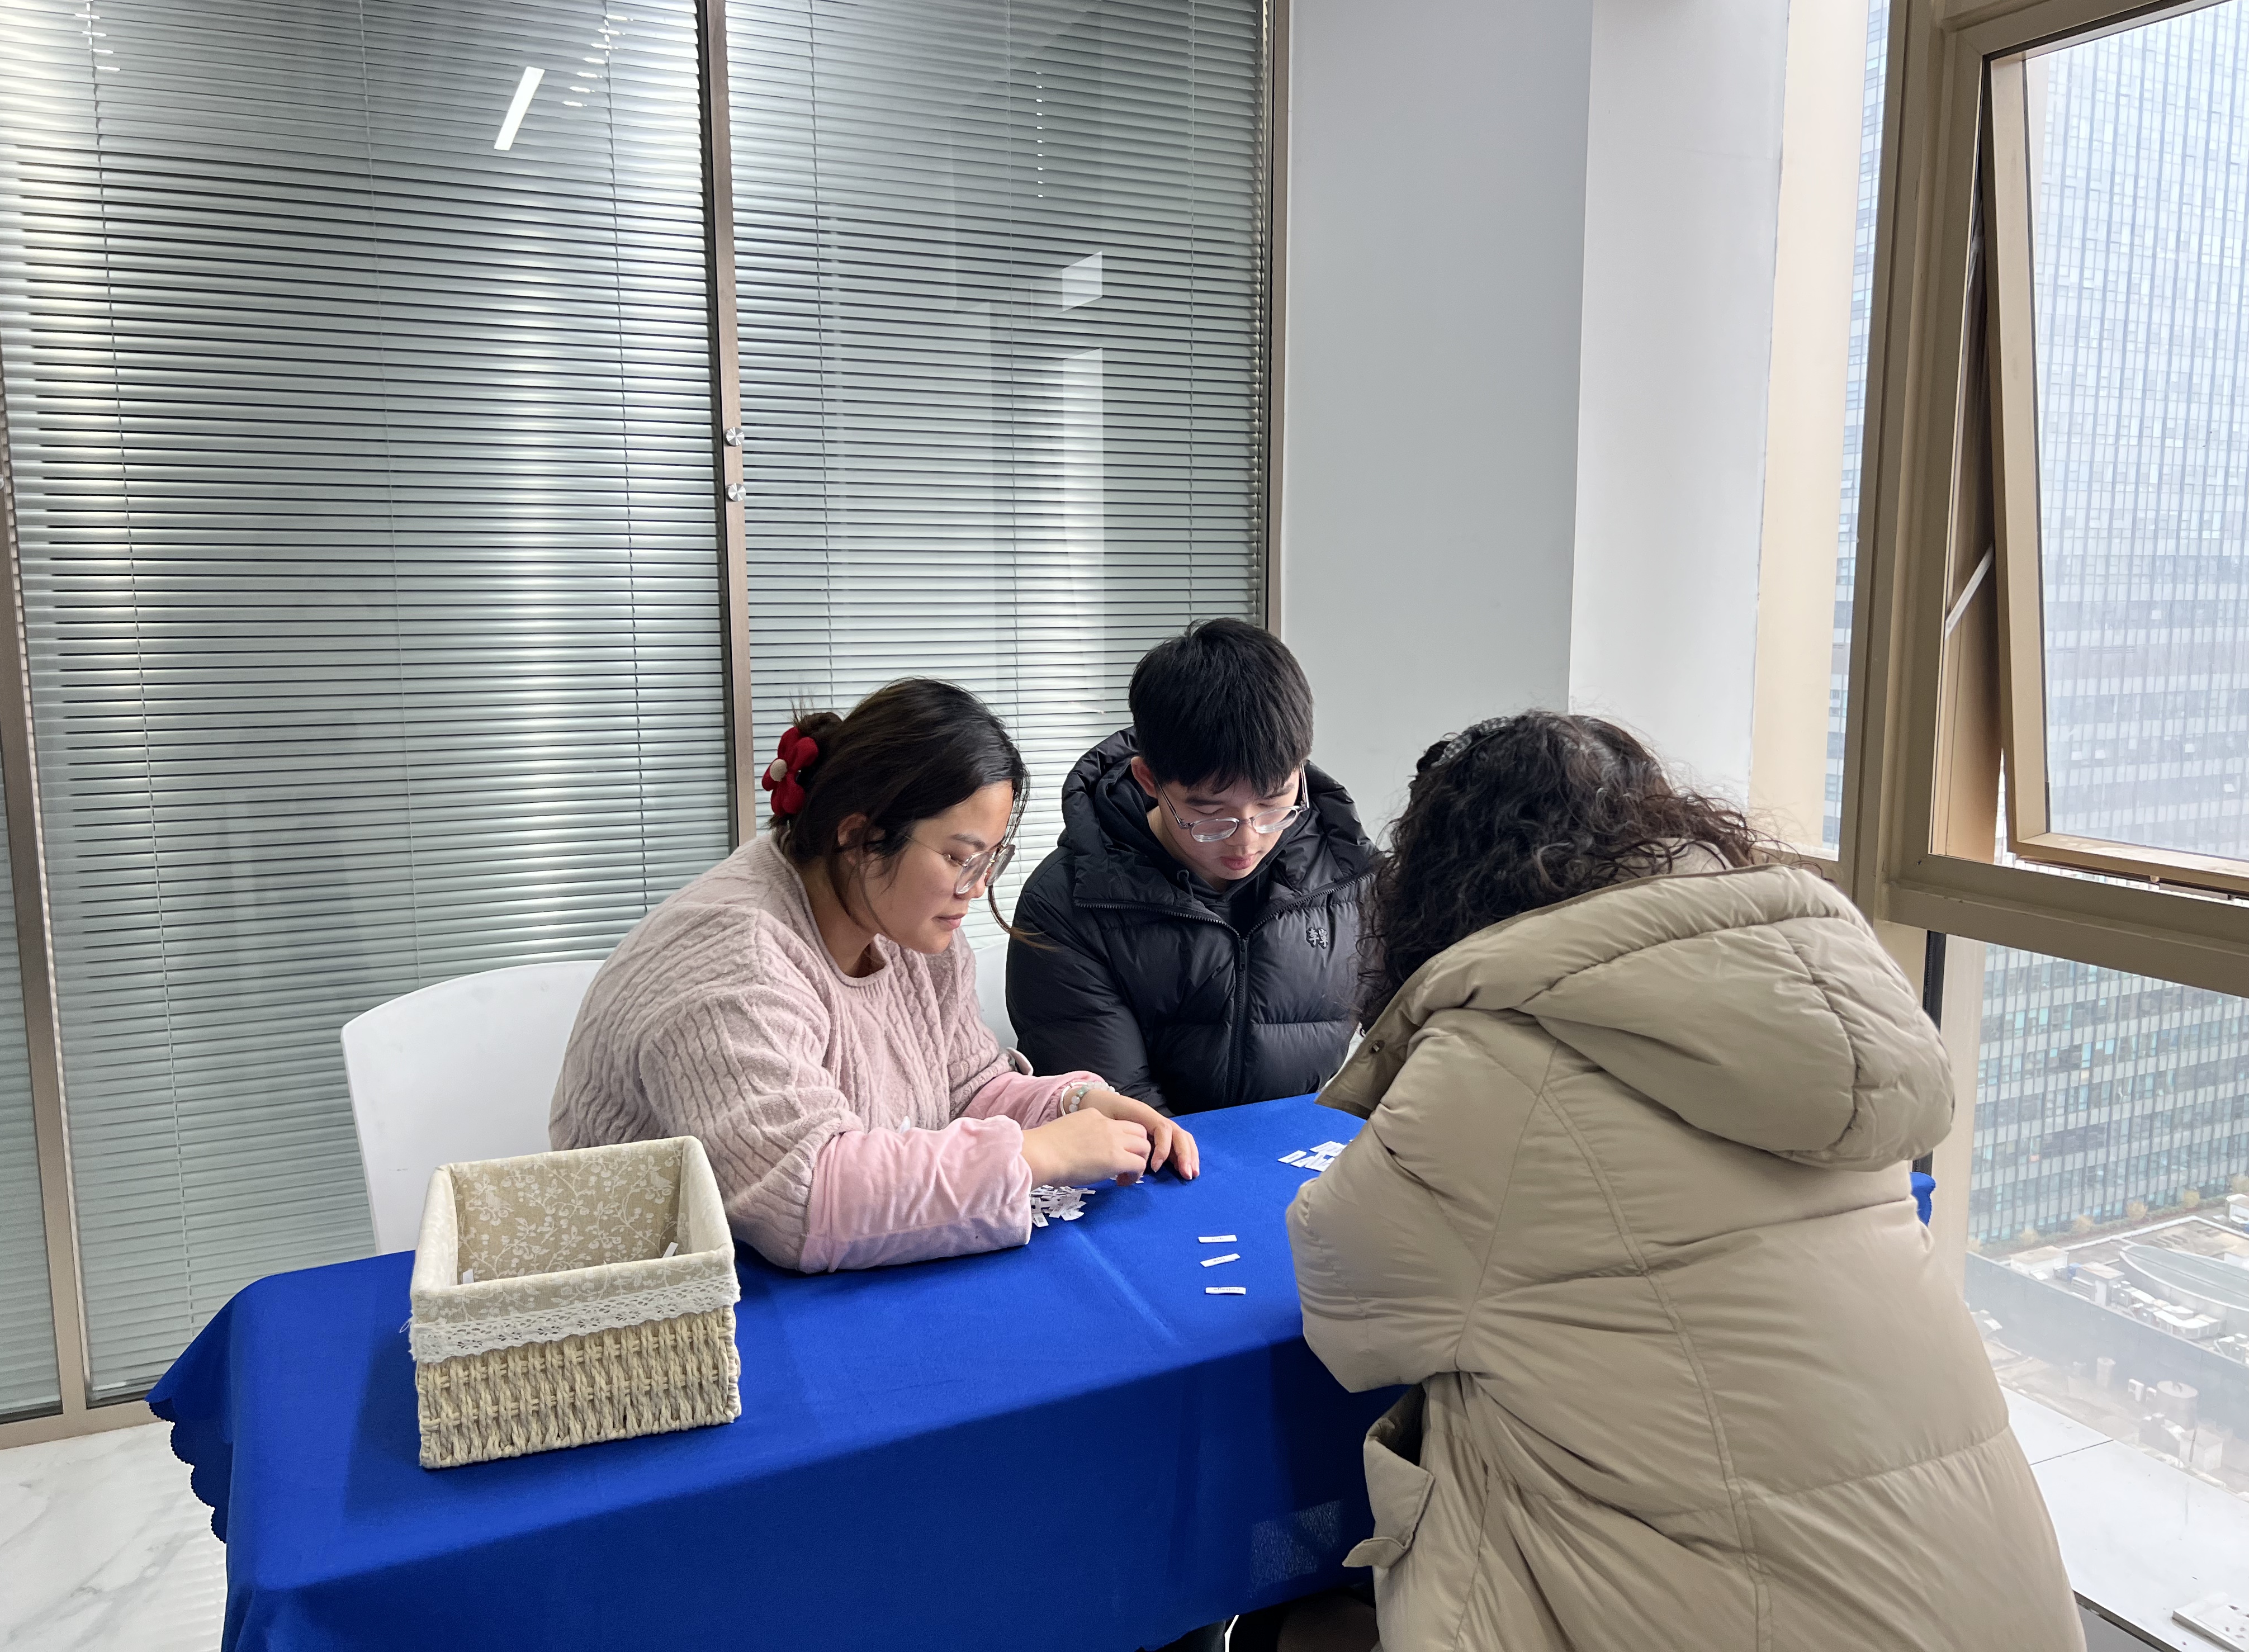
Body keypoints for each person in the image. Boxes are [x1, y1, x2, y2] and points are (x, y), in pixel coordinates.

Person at [1286, 712, 2084, 1652]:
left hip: (1739, 1613)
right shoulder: (1820, 1014)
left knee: (1303, 1616)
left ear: (1437, 883)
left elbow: (1348, 1308)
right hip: (2003, 1601)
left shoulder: (1493, 1064)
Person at [551, 679, 1197, 1272]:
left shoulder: (903, 922)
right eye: (959, 858)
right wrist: (1043, 1154)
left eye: (989, 861)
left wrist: (1074, 1105)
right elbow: (805, 1199)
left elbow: (966, 1089)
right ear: (860, 837)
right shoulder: (732, 962)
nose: (976, 889)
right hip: (646, 1306)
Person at [1007, 617, 1373, 1113]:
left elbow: (1413, 1040)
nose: (1248, 838)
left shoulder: (1350, 876)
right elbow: (1120, 1112)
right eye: (1209, 813)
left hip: (1310, 1150)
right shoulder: (1066, 905)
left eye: (1274, 804)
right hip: (1154, 1155)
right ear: (1148, 780)